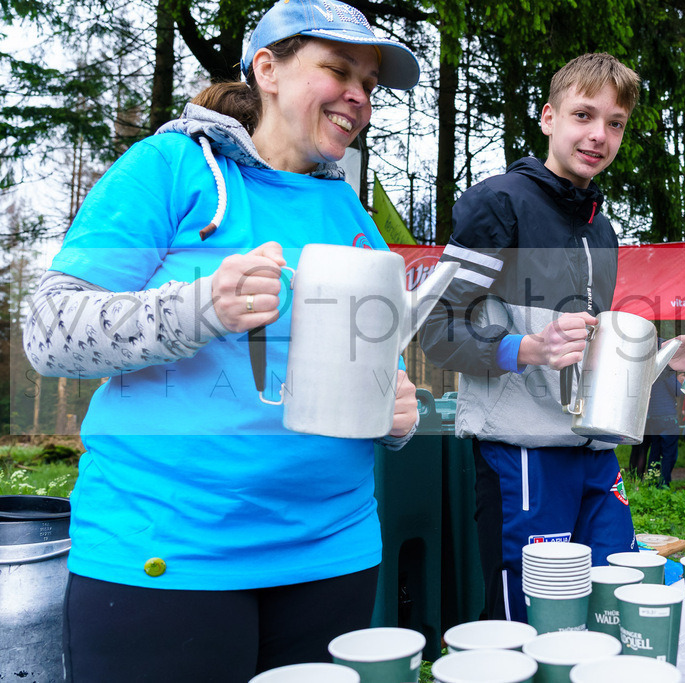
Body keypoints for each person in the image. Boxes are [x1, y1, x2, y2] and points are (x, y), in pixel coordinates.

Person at [21, 2, 421, 680]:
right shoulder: (170, 167)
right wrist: (201, 306)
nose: (358, 95)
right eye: (338, 70)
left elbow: (378, 368)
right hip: (167, 554)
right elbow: (49, 332)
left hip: (334, 553)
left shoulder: (350, 211)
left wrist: (395, 412)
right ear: (268, 69)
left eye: (370, 83)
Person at [420, 53, 685, 622]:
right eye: (584, 115)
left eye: (615, 123)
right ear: (548, 117)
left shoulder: (601, 228)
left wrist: (660, 357)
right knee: (533, 623)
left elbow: (583, 351)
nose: (599, 135)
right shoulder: (498, 203)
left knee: (611, 607)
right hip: (523, 455)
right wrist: (525, 349)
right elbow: (435, 329)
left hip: (595, 454)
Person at [628, 366, 682, 487]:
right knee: (669, 453)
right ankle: (663, 484)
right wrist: (679, 381)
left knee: (655, 451)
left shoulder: (650, 370)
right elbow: (678, 391)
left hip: (652, 417)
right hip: (667, 417)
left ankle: (652, 481)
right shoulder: (666, 370)